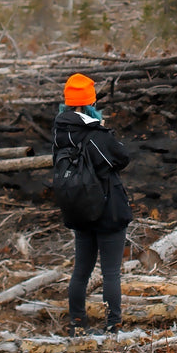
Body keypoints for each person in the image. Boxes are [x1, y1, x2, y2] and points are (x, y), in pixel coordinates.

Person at [52, 72, 132, 336]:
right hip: (108, 210)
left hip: (79, 210)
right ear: (90, 102)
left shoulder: (60, 133)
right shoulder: (95, 135)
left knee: (81, 271)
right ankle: (113, 324)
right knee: (110, 272)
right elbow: (121, 158)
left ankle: (77, 321)